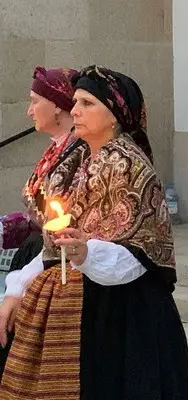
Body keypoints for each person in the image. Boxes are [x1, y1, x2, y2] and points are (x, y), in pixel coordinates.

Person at [0, 66, 188, 400]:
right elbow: (53, 247)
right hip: (78, 303)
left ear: (115, 114)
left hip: (123, 316)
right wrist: (16, 289)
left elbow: (138, 253)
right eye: (75, 101)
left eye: (87, 103)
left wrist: (87, 253)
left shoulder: (131, 166)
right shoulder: (76, 162)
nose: (75, 110)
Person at [0, 67, 85, 377]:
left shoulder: (78, 153)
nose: (29, 110)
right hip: (38, 253)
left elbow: (64, 219)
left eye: (36, 101)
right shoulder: (56, 149)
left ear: (59, 105)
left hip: (58, 261)